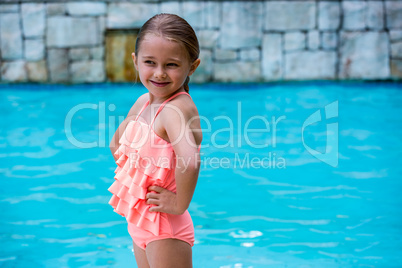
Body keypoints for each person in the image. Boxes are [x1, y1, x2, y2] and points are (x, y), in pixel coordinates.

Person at [107, 13, 202, 268]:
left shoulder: (173, 110)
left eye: (171, 65)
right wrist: (144, 177)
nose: (159, 73)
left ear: (192, 66)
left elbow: (190, 161)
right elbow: (116, 144)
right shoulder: (143, 102)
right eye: (150, 62)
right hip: (141, 220)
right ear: (135, 61)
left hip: (166, 228)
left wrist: (179, 203)